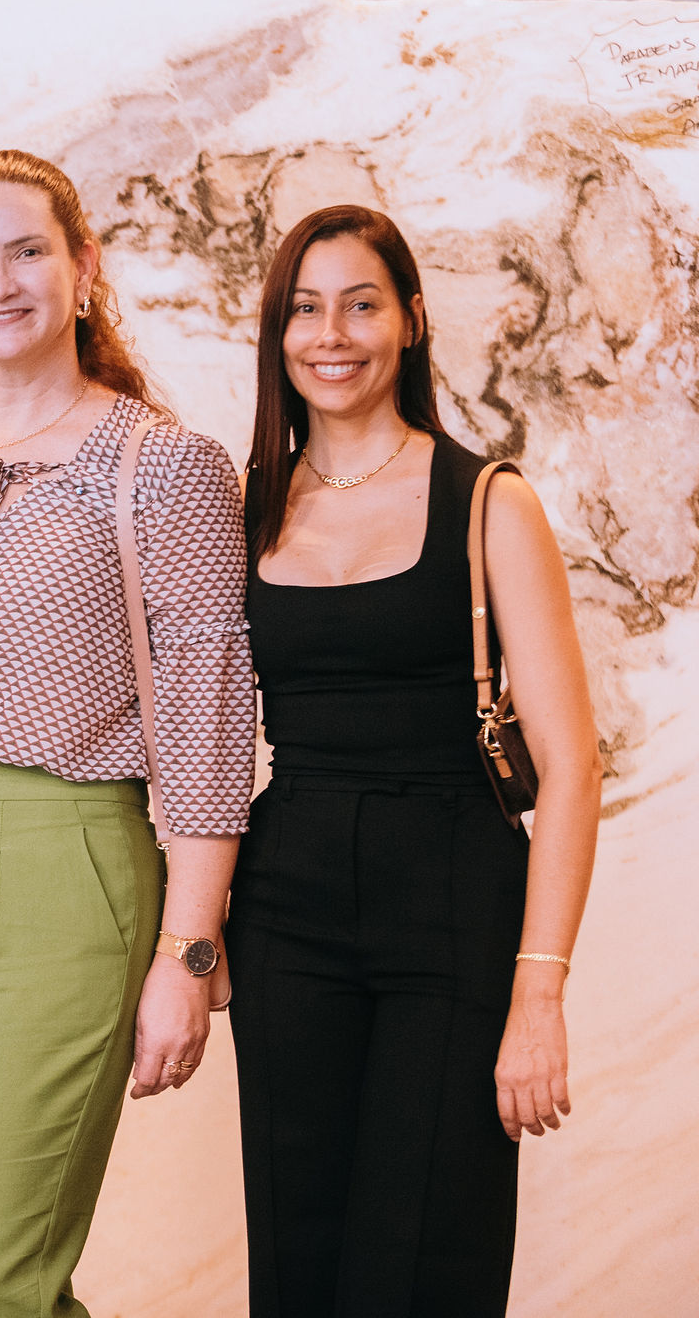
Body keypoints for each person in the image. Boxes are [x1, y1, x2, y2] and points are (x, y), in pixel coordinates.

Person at [0, 148, 257, 1318]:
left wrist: (187, 951)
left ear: (83, 267)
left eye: (27, 251)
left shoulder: (163, 466)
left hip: (62, 871)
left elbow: (208, 716)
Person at [231, 204, 599, 1317]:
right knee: (296, 1260)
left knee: (426, 1260)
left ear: (412, 320)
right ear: (277, 333)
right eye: (304, 309)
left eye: (361, 304)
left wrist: (538, 993)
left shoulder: (489, 501)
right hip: (285, 909)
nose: (330, 335)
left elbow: (571, 767)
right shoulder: (248, 505)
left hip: (451, 904)